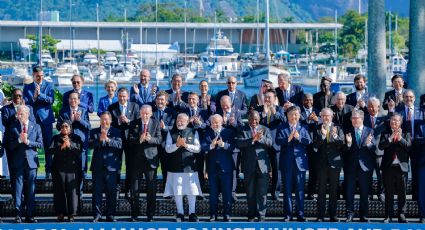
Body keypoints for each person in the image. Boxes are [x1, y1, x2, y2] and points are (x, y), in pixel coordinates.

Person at [276, 106, 312, 222]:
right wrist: (288, 138)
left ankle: (300, 214)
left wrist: (299, 137)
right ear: (287, 115)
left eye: (296, 114)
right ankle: (288, 215)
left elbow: (309, 141)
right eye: (292, 114)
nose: (294, 117)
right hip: (286, 163)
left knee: (300, 190)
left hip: (300, 164)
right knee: (287, 190)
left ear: (299, 115)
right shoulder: (282, 127)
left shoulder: (303, 127)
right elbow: (277, 141)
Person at [164, 113, 202, 222]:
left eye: (182, 120)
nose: (179, 122)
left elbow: (198, 148)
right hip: (175, 167)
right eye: (178, 120)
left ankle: (192, 213)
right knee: (178, 191)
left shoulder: (194, 131)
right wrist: (177, 145)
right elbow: (167, 149)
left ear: (187, 121)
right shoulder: (171, 132)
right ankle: (180, 213)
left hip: (190, 167)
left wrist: (186, 145)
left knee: (191, 190)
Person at [236, 111, 272, 222]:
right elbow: (238, 143)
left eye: (256, 119)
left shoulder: (265, 129)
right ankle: (251, 215)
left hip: (263, 166)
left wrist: (260, 139)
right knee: (250, 192)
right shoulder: (242, 129)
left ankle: (261, 216)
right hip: (248, 165)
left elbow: (270, 143)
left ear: (259, 119)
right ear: (248, 119)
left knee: (262, 193)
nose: (254, 122)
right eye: (251, 119)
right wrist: (252, 140)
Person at [9, 105, 43, 223]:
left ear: (27, 114)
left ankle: (30, 215)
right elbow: (10, 146)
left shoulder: (36, 127)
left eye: (21, 114)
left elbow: (40, 144)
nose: (18, 116)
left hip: (31, 163)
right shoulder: (13, 127)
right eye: (17, 114)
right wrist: (19, 140)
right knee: (18, 190)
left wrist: (28, 142)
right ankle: (18, 215)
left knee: (31, 190)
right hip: (18, 163)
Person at [127, 105, 162, 222]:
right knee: (134, 189)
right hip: (136, 161)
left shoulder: (156, 123)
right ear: (140, 113)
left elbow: (159, 140)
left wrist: (150, 139)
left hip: (150, 161)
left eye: (147, 113)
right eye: (143, 113)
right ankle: (135, 214)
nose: (145, 116)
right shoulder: (133, 123)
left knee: (151, 189)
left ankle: (150, 215)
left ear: (151, 114)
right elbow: (129, 140)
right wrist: (139, 139)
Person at [2, 88, 35, 201]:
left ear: (22, 97)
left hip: (26, 145)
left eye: (20, 96)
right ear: (12, 96)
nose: (17, 98)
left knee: (26, 174)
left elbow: (33, 123)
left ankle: (26, 197)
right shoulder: (6, 109)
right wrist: (17, 114)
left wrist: (24, 111)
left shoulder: (29, 108)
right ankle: (15, 196)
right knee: (13, 171)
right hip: (12, 144)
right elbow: (5, 123)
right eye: (15, 96)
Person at [90, 112, 122, 223]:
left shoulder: (117, 132)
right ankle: (97, 215)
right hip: (97, 167)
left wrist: (108, 140)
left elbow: (119, 145)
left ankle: (110, 215)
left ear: (111, 120)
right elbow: (89, 145)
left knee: (111, 193)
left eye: (107, 119)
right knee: (97, 193)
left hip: (112, 168)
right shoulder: (94, 132)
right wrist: (99, 139)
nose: (104, 122)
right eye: (103, 119)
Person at [23, 66, 55, 179]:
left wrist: (40, 95)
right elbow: (27, 103)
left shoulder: (49, 85)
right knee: (32, 146)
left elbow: (51, 100)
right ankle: (33, 171)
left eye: (42, 76)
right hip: (32, 121)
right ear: (33, 76)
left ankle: (49, 171)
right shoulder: (27, 87)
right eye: (38, 76)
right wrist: (34, 97)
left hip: (45, 120)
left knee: (48, 146)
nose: (40, 78)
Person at [392, 89, 424, 202]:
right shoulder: (398, 112)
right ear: (403, 98)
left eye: (411, 97)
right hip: (403, 147)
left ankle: (416, 197)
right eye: (406, 97)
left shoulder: (421, 111)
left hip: (418, 147)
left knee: (417, 174)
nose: (408, 99)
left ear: (414, 98)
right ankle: (403, 199)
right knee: (403, 174)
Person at [313, 108, 344, 222]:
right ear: (321, 117)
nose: (326, 118)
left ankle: (333, 214)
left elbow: (342, 144)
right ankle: (320, 215)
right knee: (321, 190)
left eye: (328, 116)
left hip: (335, 163)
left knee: (334, 190)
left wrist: (335, 136)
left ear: (332, 116)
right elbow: (315, 146)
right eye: (323, 116)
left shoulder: (339, 127)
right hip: (321, 164)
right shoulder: (317, 128)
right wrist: (322, 135)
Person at [344, 110, 375, 222]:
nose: (353, 120)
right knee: (349, 191)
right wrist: (348, 144)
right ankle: (349, 214)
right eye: (352, 118)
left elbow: (374, 149)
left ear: (361, 119)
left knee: (364, 192)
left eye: (355, 118)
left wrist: (368, 144)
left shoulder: (370, 131)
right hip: (351, 166)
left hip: (365, 167)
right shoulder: (347, 131)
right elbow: (343, 150)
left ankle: (364, 215)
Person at [202, 114, 235, 222]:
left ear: (221, 122)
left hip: (226, 168)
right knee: (213, 194)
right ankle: (213, 215)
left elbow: (233, 147)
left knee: (227, 193)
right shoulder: (207, 133)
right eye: (213, 123)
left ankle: (227, 215)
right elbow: (202, 147)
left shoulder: (228, 132)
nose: (215, 124)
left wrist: (223, 145)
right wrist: (211, 146)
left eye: (217, 122)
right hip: (212, 169)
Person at [108, 88, 140, 198]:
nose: (122, 98)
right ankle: (116, 189)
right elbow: (109, 123)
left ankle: (128, 190)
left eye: (124, 96)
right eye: (120, 96)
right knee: (116, 165)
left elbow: (138, 123)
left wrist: (128, 121)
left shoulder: (135, 106)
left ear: (128, 97)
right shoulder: (112, 107)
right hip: (116, 139)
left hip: (130, 141)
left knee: (130, 166)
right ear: (117, 96)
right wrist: (117, 121)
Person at [379, 114, 411, 223]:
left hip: (401, 168)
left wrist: (400, 138)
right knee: (389, 193)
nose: (394, 122)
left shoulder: (406, 134)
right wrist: (390, 138)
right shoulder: (385, 134)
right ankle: (388, 215)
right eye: (392, 120)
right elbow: (381, 146)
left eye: (396, 121)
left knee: (402, 193)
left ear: (400, 122)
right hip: (388, 167)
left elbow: (409, 147)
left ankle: (401, 214)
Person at [255, 89, 286, 200]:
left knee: (277, 170)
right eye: (266, 97)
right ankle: (261, 193)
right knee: (261, 170)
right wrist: (263, 113)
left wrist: (275, 113)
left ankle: (275, 193)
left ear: (274, 98)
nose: (267, 99)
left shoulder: (280, 109)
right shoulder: (258, 110)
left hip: (276, 145)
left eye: (270, 97)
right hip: (262, 145)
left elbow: (284, 121)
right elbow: (255, 124)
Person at [49, 120, 83, 222]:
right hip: (59, 169)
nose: (64, 129)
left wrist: (70, 145)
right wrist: (61, 147)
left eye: (66, 127)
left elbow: (79, 151)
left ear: (70, 128)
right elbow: (50, 150)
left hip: (72, 170)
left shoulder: (76, 138)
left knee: (72, 192)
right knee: (59, 192)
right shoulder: (56, 138)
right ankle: (60, 213)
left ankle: (71, 214)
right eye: (63, 127)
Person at [57, 92, 91, 183]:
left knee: (81, 169)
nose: (73, 100)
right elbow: (58, 126)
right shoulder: (63, 111)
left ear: (79, 100)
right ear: (68, 100)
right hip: (68, 143)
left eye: (75, 99)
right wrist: (70, 121)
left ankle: (80, 195)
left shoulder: (84, 111)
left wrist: (80, 120)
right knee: (69, 169)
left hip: (81, 143)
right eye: (71, 98)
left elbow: (88, 126)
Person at [363, 97, 387, 202]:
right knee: (367, 174)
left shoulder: (384, 119)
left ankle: (381, 193)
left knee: (380, 175)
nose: (371, 108)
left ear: (378, 107)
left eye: (373, 106)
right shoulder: (364, 118)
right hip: (366, 152)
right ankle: (369, 194)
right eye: (369, 106)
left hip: (379, 152)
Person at [152, 91, 176, 186]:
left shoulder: (172, 112)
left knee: (167, 169)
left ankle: (167, 192)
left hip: (166, 145)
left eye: (162, 100)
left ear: (166, 101)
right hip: (153, 145)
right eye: (158, 99)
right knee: (152, 169)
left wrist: (164, 127)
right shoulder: (151, 112)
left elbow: (174, 128)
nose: (160, 102)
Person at [299, 93, 320, 200]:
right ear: (302, 101)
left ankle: (311, 193)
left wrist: (317, 120)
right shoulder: (298, 111)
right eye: (306, 100)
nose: (309, 102)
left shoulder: (317, 111)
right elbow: (298, 125)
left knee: (313, 171)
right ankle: (300, 193)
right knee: (300, 170)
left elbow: (322, 126)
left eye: (310, 100)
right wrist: (307, 120)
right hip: (301, 145)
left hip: (314, 145)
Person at [414, 117, 425, 223]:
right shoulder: (419, 124)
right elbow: (417, 140)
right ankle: (423, 215)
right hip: (423, 163)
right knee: (422, 190)